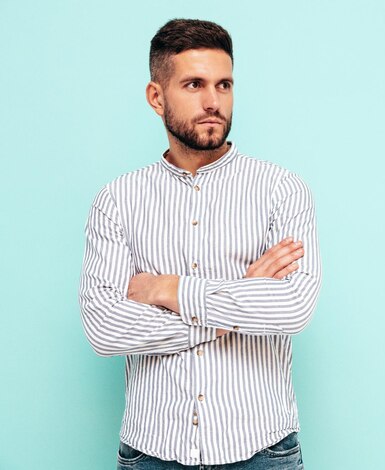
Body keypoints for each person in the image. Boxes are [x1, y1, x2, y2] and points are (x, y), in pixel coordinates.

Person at [78, 18, 321, 469]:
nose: (213, 102)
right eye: (194, 84)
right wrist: (239, 300)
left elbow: (293, 308)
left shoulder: (281, 189)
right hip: (153, 452)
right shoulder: (117, 200)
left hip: (262, 450)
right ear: (157, 97)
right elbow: (104, 328)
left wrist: (166, 290)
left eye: (224, 84)